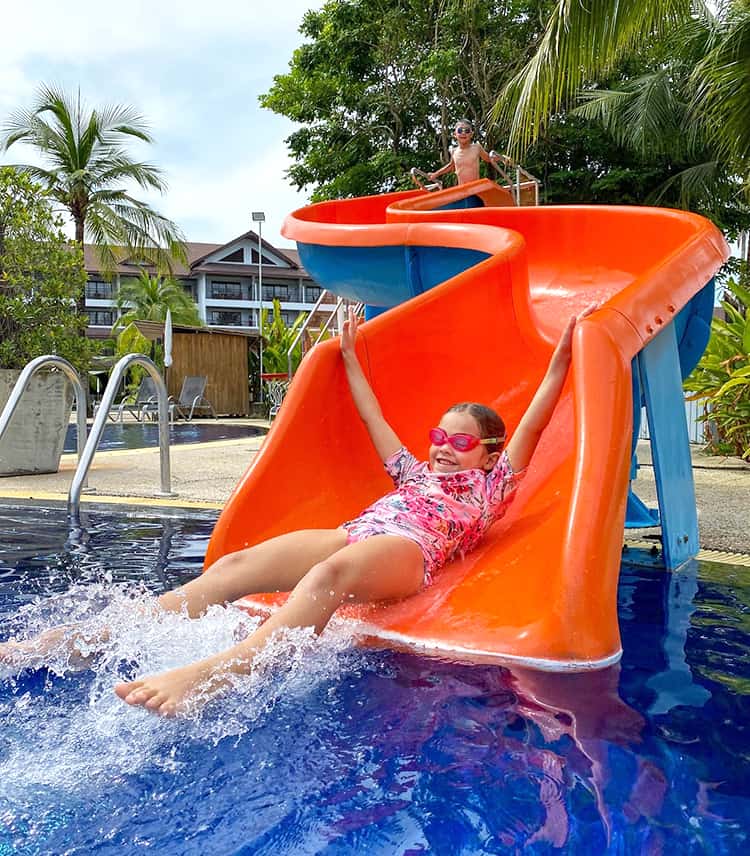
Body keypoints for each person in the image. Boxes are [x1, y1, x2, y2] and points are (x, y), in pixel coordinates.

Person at [1, 305, 594, 717]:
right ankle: (82, 639)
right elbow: (373, 417)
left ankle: (220, 672)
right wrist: (352, 354)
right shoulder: (413, 470)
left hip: (410, 553)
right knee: (239, 565)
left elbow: (540, 411)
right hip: (357, 532)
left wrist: (565, 355)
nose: (443, 446)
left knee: (330, 576)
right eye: (440, 434)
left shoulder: (492, 484)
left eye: (460, 441)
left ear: (488, 450)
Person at [429, 119, 509, 185]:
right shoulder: (454, 151)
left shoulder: (476, 147)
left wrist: (502, 158)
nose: (463, 133)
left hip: (475, 187)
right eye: (460, 131)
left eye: (467, 131)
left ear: (471, 134)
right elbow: (451, 166)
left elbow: (488, 158)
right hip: (462, 189)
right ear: (455, 134)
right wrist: (435, 174)